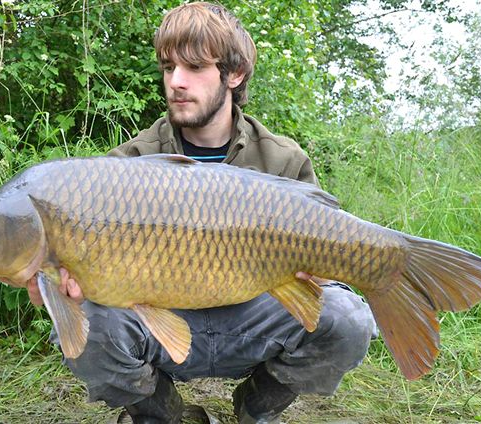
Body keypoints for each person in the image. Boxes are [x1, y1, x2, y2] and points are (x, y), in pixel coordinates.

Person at [26, 3, 376, 423]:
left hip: (251, 321)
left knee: (349, 318)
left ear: (235, 74)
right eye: (168, 66)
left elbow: (321, 276)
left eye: (193, 67)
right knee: (86, 327)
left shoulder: (282, 160)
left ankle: (256, 407)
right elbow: (84, 290)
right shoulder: (128, 164)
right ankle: (165, 414)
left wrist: (319, 272)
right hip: (161, 323)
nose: (176, 81)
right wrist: (57, 293)